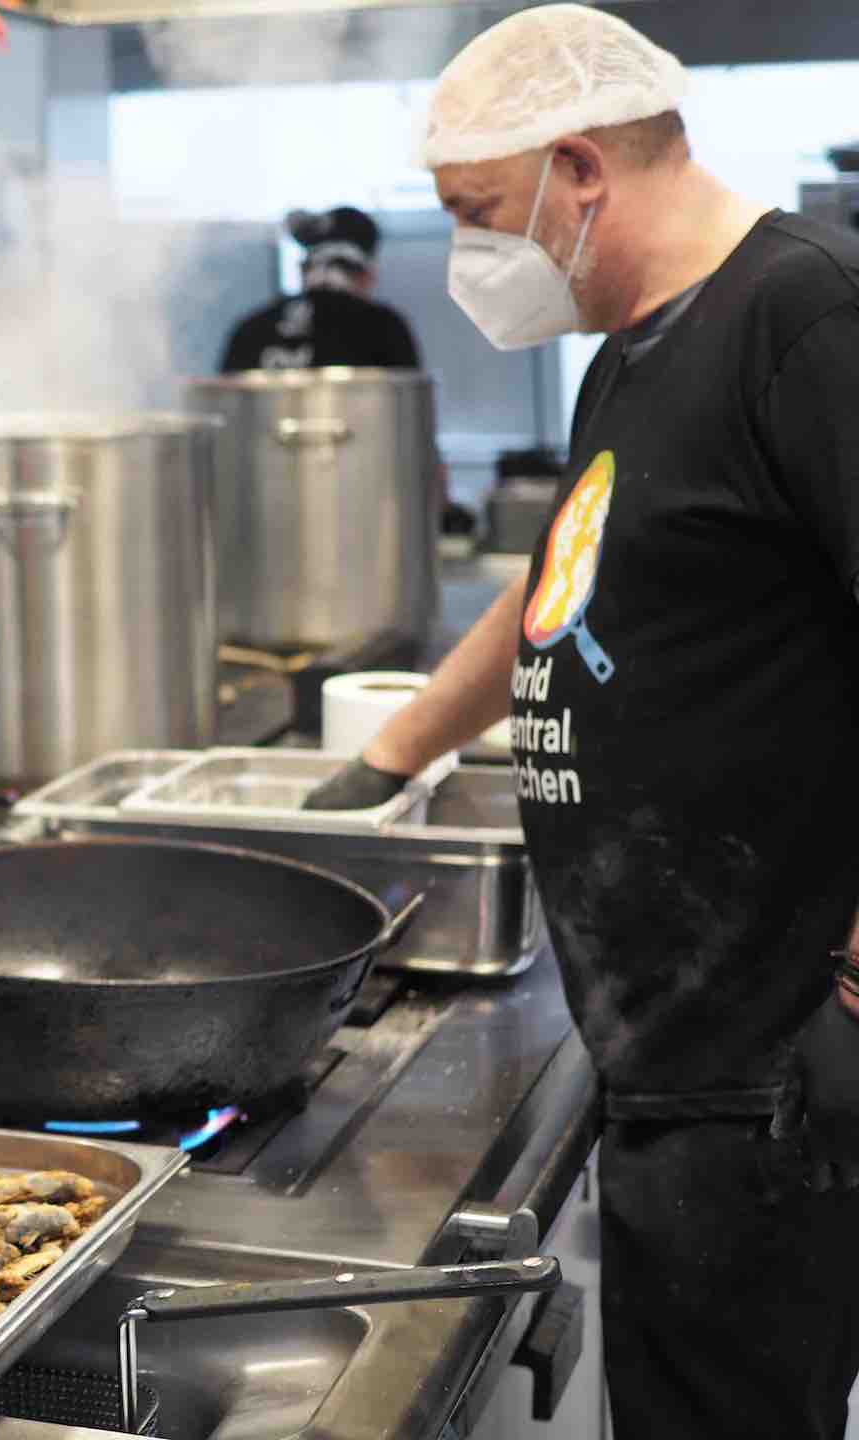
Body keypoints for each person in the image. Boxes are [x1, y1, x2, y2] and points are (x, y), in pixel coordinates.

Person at [303, 7, 859, 1436]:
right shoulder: (637, 345)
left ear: (581, 171)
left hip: (774, 1061)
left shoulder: (805, 318)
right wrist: (392, 755)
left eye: (476, 213)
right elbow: (564, 580)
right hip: (676, 1050)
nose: (469, 254)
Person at [219, 206, 422, 372]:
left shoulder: (251, 330)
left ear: (303, 270)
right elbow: (409, 405)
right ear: (366, 275)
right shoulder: (385, 330)